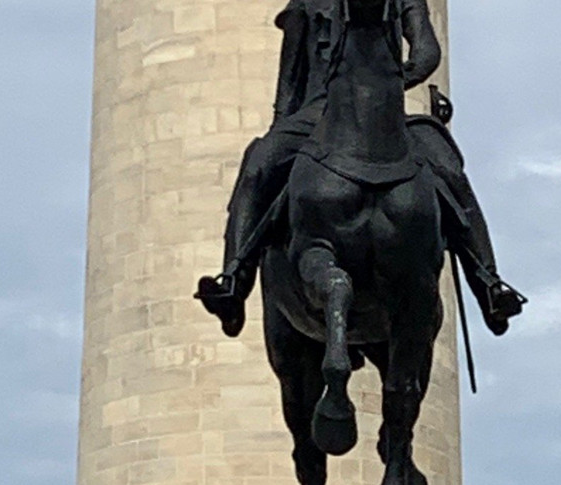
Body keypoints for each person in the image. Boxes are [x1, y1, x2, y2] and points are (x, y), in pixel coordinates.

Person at [199, 0, 525, 337]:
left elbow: (427, 52)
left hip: (385, 110)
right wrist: (279, 129)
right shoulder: (305, 4)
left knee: (450, 171)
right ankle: (234, 282)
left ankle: (489, 284)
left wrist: (384, 86)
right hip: (314, 113)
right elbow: (290, 78)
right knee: (257, 166)